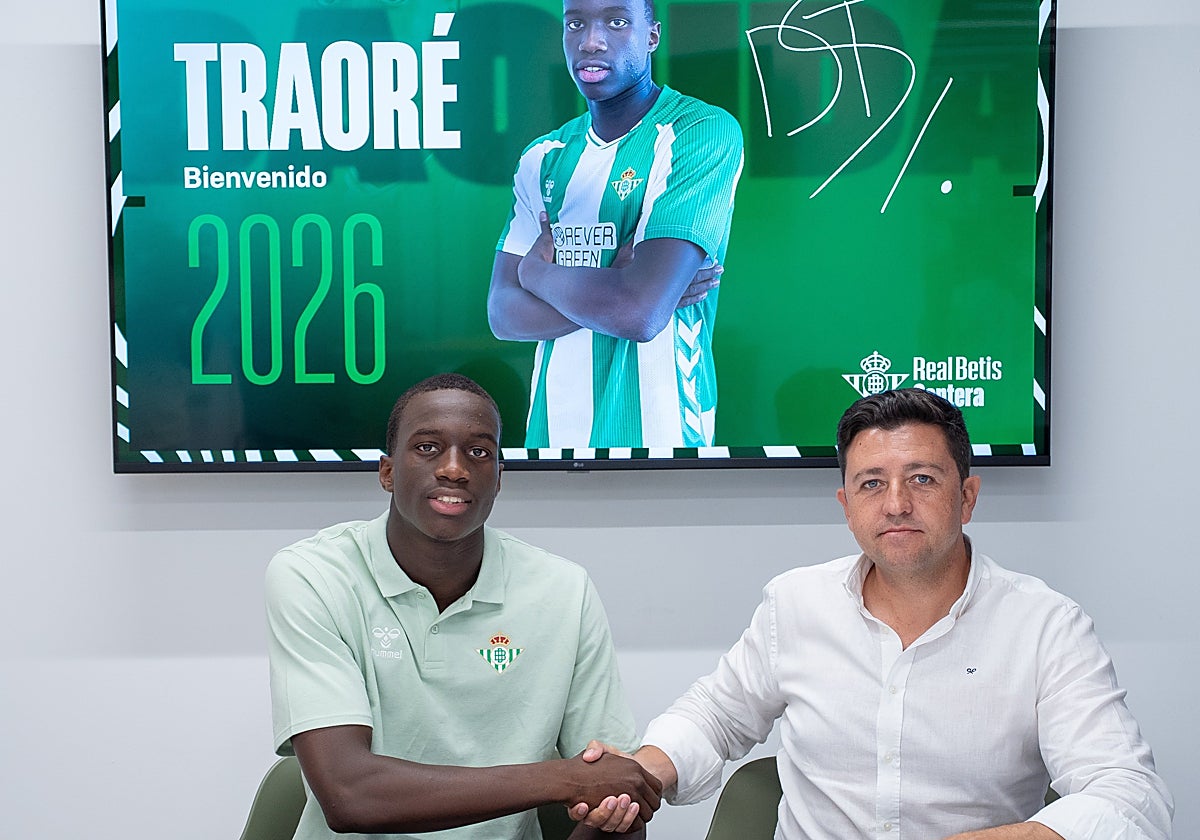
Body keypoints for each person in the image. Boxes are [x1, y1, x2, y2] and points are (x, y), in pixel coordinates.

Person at [578, 388, 1174, 839]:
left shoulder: (1046, 626)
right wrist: (641, 773)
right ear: (846, 505)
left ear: (967, 497)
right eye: (871, 484)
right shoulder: (795, 603)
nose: (896, 504)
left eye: (922, 478)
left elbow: (1128, 793)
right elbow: (715, 717)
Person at [264, 373, 661, 840]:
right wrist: (564, 778)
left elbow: (615, 792)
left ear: (499, 478)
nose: (454, 469)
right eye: (428, 447)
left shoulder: (564, 590)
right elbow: (349, 794)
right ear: (387, 472)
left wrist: (602, 793)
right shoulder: (314, 575)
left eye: (479, 452)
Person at [487, 0, 743, 451]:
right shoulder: (543, 156)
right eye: (575, 23)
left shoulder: (698, 131)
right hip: (551, 439)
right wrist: (618, 287)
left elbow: (639, 314)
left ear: (652, 35)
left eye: (617, 21)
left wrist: (538, 274)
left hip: (663, 438)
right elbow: (503, 314)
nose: (591, 41)